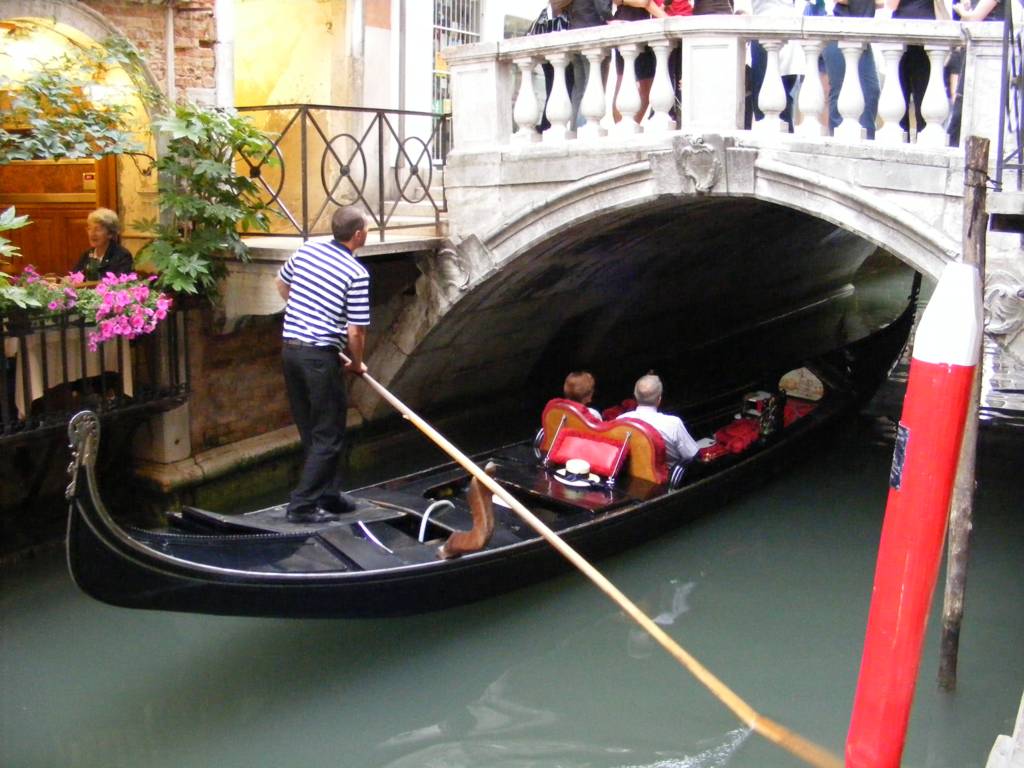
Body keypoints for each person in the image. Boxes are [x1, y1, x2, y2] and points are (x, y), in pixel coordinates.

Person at [275, 206, 371, 524]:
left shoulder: (307, 251)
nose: (367, 233)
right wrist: (357, 364)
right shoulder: (356, 273)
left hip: (291, 351)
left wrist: (303, 312)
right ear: (357, 235)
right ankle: (301, 506)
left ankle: (328, 495)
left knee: (311, 430)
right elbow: (355, 330)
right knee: (329, 435)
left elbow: (281, 282)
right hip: (318, 357)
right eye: (366, 229)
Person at [616, 373, 699, 465]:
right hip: (666, 478)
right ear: (659, 399)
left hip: (634, 477)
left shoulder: (620, 421)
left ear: (635, 397)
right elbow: (692, 456)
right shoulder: (673, 424)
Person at [610, 0, 668, 124]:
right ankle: (622, 126)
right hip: (629, 23)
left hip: (643, 24)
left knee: (645, 82)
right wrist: (667, 19)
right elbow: (644, 2)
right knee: (624, 79)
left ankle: (630, 124)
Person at [73, 208, 134, 280]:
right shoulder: (87, 254)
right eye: (90, 229)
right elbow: (74, 277)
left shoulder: (122, 256)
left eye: (97, 229)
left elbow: (120, 285)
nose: (92, 234)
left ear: (110, 233)